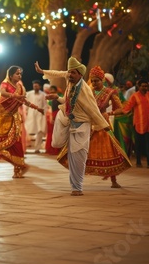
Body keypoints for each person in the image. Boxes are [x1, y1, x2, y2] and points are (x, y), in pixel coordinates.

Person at [35, 58, 110, 196]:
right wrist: (42, 71)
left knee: (78, 158)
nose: (69, 75)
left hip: (82, 125)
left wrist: (104, 126)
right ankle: (66, 146)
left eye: (73, 73)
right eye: (69, 72)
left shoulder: (85, 91)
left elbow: (93, 109)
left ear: (80, 75)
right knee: (56, 143)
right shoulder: (69, 79)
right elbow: (58, 73)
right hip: (66, 118)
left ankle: (77, 187)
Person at [57, 66, 131, 188]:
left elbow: (120, 109)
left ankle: (113, 180)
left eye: (97, 80)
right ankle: (77, 177)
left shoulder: (110, 92)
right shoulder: (87, 91)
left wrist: (109, 113)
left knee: (110, 151)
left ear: (103, 80)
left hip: (102, 124)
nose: (94, 83)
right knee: (80, 149)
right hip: (88, 124)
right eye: (92, 80)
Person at [0, 66, 42, 178]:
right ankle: (19, 166)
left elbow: (23, 100)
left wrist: (36, 107)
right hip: (2, 118)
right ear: (10, 75)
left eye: (20, 74)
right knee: (0, 143)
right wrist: (14, 96)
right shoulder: (5, 83)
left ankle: (18, 168)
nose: (19, 76)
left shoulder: (20, 87)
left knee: (17, 143)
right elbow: (3, 93)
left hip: (14, 119)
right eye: (17, 74)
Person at [112, 79, 149, 168]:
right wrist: (114, 112)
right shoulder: (134, 96)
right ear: (138, 87)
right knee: (138, 143)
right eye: (143, 86)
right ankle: (138, 162)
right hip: (138, 124)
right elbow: (127, 108)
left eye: (146, 86)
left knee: (148, 143)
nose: (145, 88)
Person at [25, 80, 47, 153]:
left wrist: (44, 113)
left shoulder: (43, 95)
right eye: (34, 86)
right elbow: (26, 104)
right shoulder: (29, 94)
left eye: (36, 86)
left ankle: (37, 148)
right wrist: (25, 112)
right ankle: (24, 147)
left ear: (39, 87)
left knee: (40, 131)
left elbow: (45, 105)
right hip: (30, 114)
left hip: (40, 115)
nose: (35, 87)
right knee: (27, 130)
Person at [45, 85, 62, 155]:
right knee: (50, 133)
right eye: (50, 90)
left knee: (56, 132)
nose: (51, 92)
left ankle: (56, 150)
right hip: (50, 116)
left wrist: (53, 117)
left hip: (56, 115)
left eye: (53, 91)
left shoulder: (57, 98)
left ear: (56, 91)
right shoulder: (49, 98)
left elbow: (56, 108)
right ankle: (50, 149)